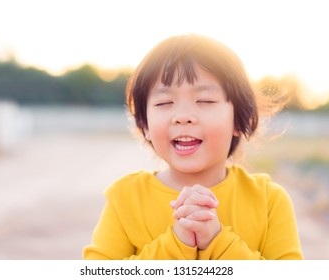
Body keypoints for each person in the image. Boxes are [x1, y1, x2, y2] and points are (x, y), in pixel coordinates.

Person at [83, 34, 303, 260]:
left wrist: (217, 241)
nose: (183, 117)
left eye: (205, 101)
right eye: (164, 103)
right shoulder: (125, 199)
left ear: (239, 119)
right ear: (144, 124)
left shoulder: (268, 201)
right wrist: (176, 243)